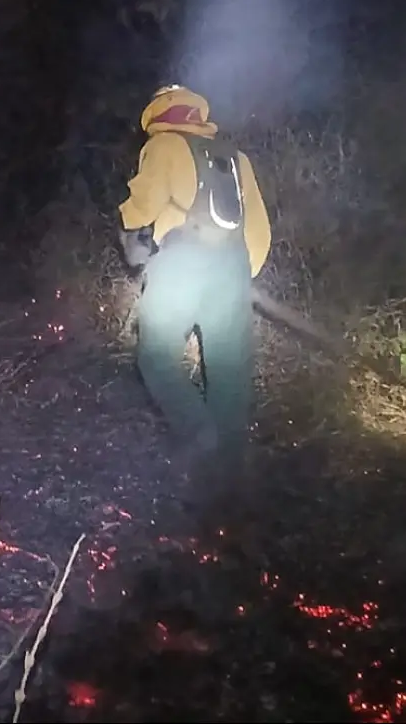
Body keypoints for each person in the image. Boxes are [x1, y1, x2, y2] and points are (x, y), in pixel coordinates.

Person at [117, 85, 272, 502]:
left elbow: (141, 208)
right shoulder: (236, 160)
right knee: (228, 374)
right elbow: (258, 229)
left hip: (182, 263)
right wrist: (239, 277)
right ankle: (230, 484)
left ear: (159, 116)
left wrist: (129, 230)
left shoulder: (164, 145)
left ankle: (199, 436)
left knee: (156, 357)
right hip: (234, 269)